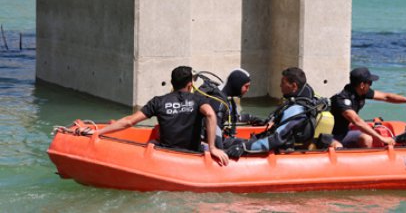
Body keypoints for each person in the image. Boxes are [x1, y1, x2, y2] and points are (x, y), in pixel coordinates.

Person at [76, 66, 229, 166]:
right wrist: (213, 147)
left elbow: (129, 121)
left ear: (171, 83)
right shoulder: (198, 99)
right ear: (190, 84)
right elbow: (210, 113)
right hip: (191, 155)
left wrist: (97, 132)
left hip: (164, 155)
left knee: (155, 138)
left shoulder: (159, 102)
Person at [330, 67, 406, 148]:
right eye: (369, 83)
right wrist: (381, 138)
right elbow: (357, 121)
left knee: (367, 139)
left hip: (343, 133)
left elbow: (386, 96)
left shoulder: (360, 92)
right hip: (329, 135)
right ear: (362, 85)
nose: (370, 85)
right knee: (337, 146)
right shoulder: (341, 100)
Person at [244, 67, 333, 152]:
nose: (280, 85)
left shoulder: (296, 110)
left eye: (283, 83)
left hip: (283, 149)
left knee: (232, 143)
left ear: (294, 86)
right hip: (280, 143)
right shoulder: (303, 100)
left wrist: (245, 147)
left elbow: (276, 139)